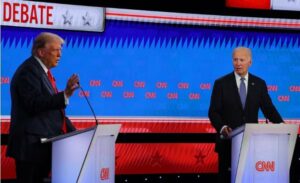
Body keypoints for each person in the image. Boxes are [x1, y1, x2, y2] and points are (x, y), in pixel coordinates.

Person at [6, 32, 80, 183]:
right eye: (55, 50)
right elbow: (34, 104)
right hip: (30, 149)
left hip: (40, 148)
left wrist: (77, 134)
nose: (59, 55)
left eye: (61, 50)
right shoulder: (28, 71)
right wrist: (64, 95)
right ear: (41, 52)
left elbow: (52, 112)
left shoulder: (42, 72)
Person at [208, 47, 284, 183]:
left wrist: (282, 125)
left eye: (242, 60)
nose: (238, 63)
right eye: (235, 60)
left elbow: (268, 109)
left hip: (252, 144)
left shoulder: (259, 84)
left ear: (250, 62)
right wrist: (222, 127)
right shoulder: (221, 83)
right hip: (227, 144)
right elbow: (213, 112)